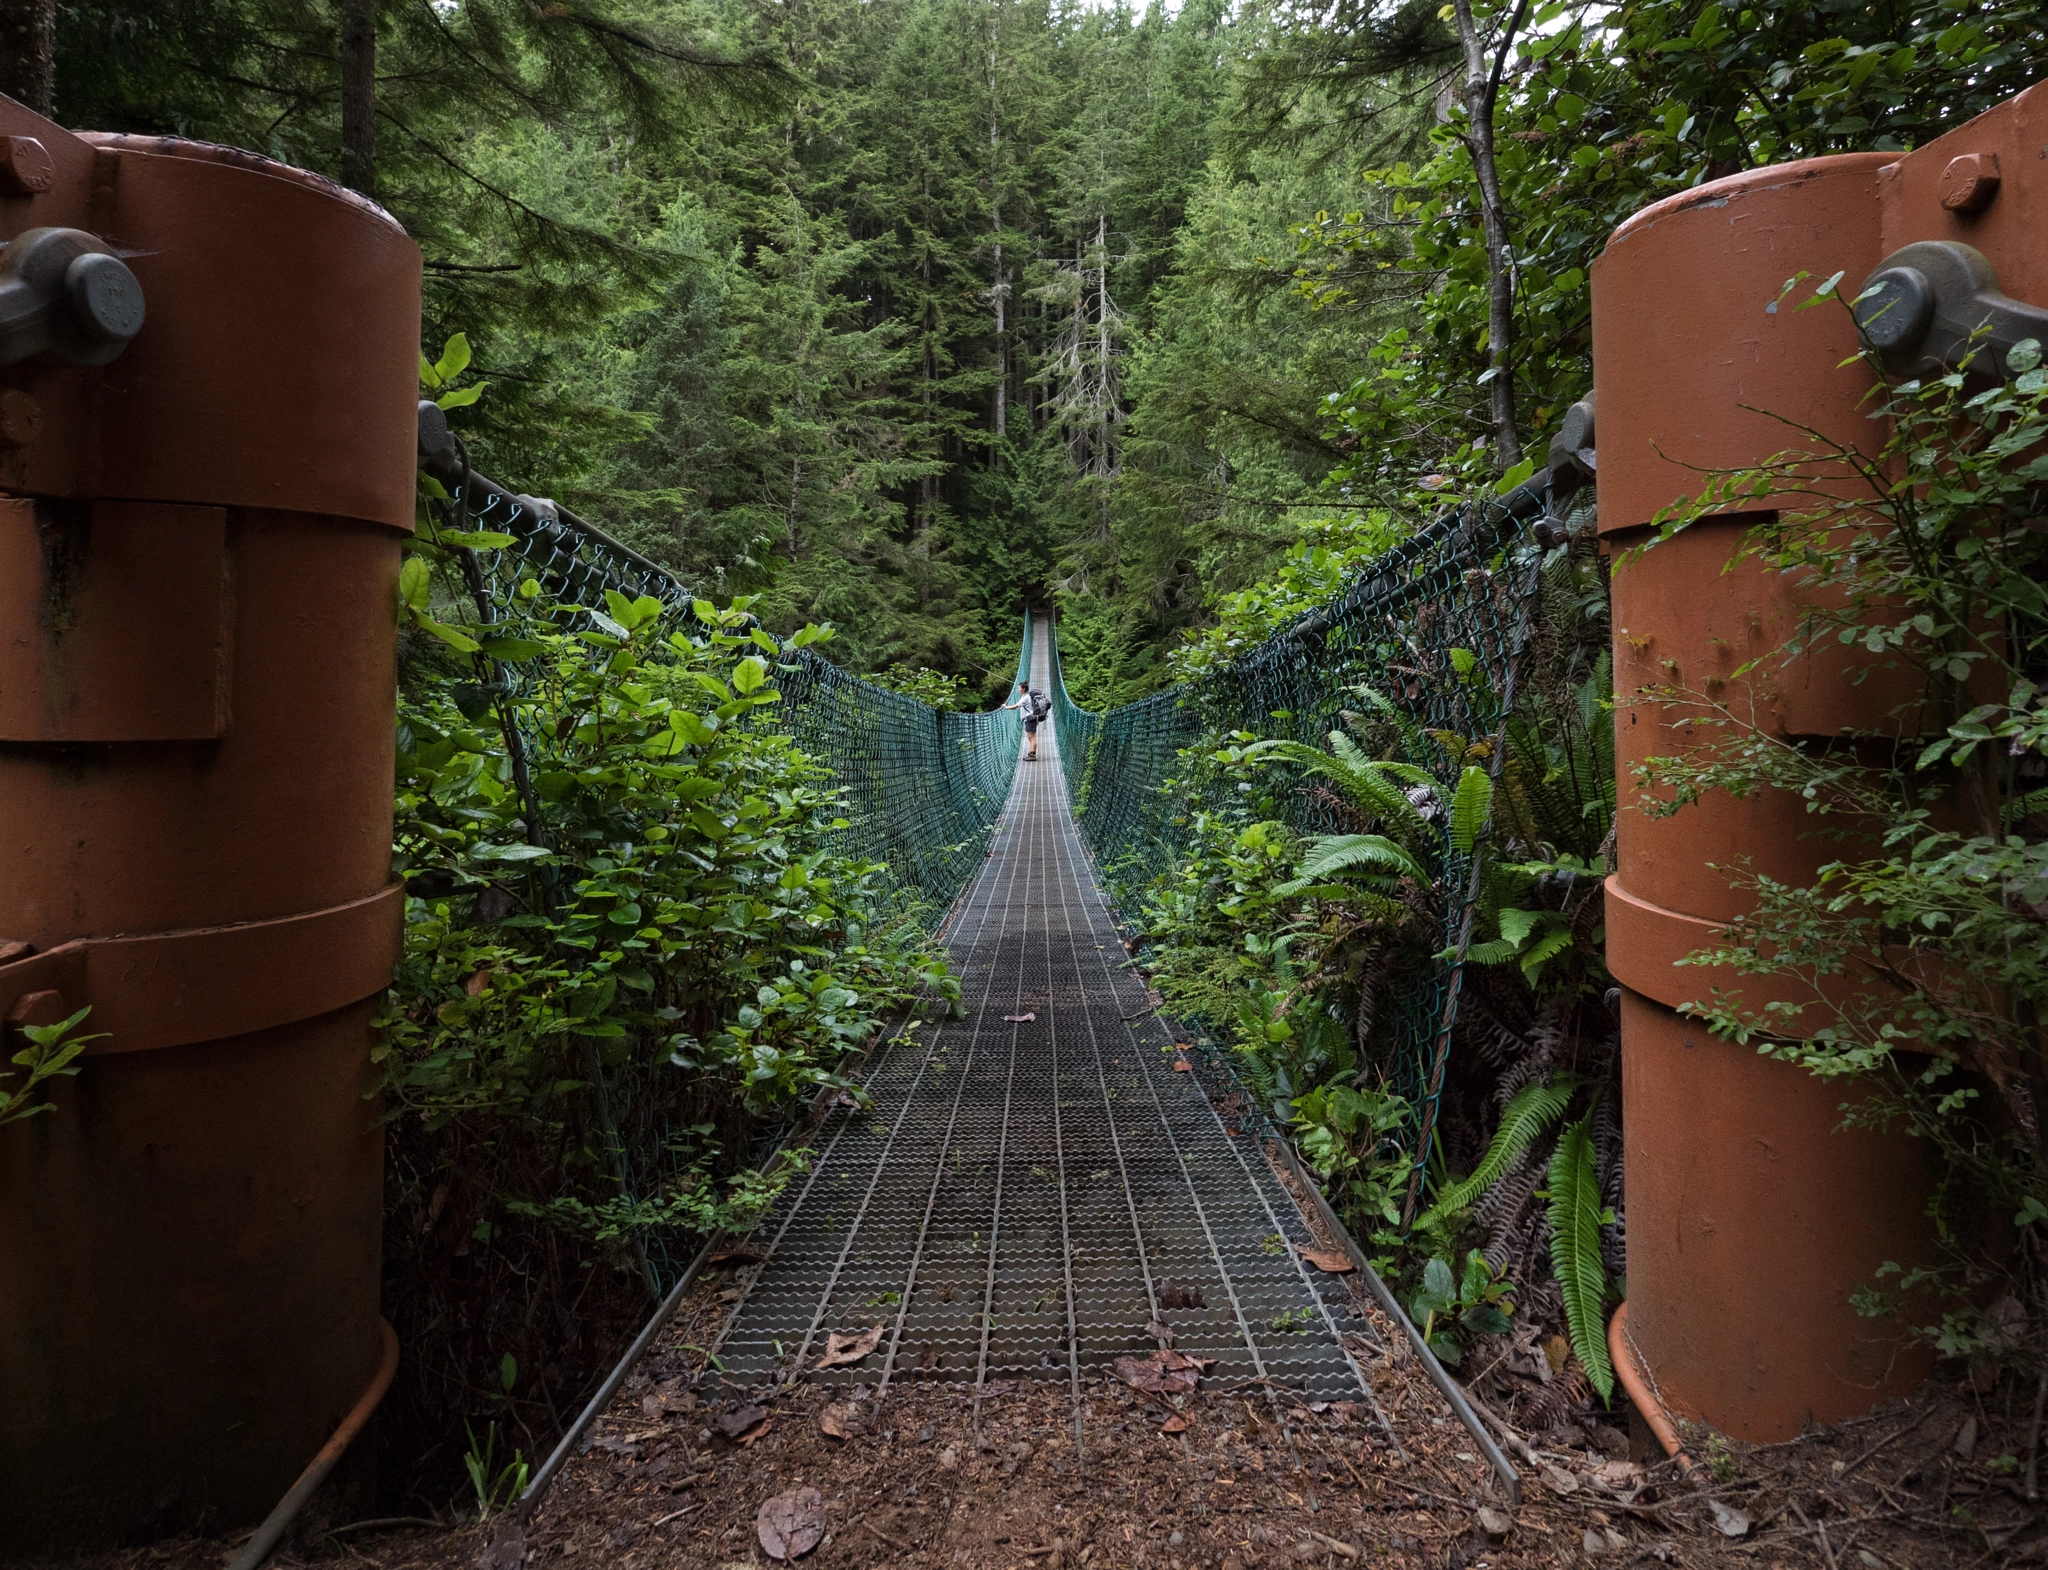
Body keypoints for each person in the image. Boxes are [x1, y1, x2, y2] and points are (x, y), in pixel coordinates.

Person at [1005, 679, 1041, 760]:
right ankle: (1031, 753)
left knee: (1032, 738)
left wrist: (1006, 707)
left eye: (1019, 688)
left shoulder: (1026, 697)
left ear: (1023, 689)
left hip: (1030, 719)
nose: (1018, 690)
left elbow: (1016, 706)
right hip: (1029, 719)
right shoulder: (1025, 696)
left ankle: (1033, 755)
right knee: (1030, 737)